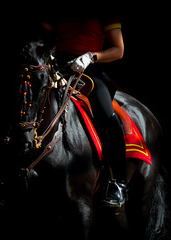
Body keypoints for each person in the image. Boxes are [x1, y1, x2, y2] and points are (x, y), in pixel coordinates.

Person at [41, 17, 127, 207]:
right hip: (54, 66)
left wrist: (91, 56)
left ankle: (118, 182)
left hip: (88, 67)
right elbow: (42, 38)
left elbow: (118, 50)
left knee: (107, 115)